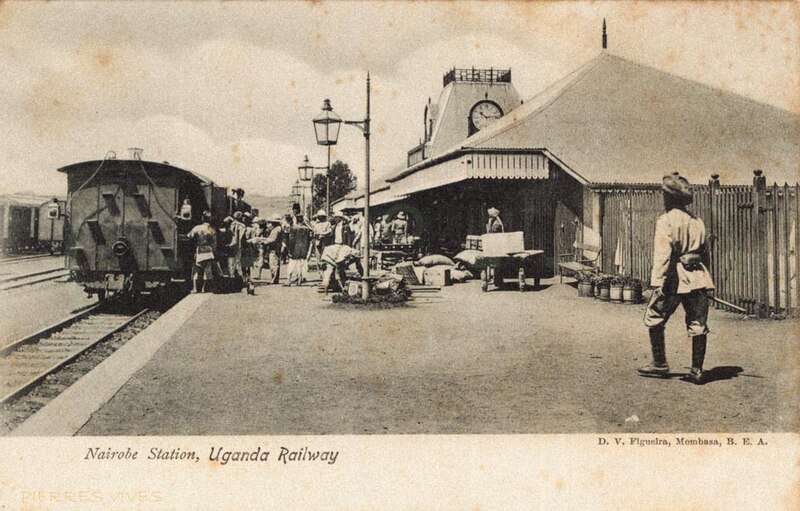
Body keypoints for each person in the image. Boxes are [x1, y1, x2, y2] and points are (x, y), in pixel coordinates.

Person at [638, 172, 715, 385]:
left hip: (674, 278)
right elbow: (705, 254)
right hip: (699, 277)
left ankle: (659, 364)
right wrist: (707, 278)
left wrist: (657, 282)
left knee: (654, 316)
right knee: (698, 322)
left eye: (665, 195)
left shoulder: (666, 221)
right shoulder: (697, 221)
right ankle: (697, 370)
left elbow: (663, 255)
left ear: (670, 198)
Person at [187, 210, 217, 293]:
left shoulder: (197, 228)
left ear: (202, 218)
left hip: (199, 251)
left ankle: (195, 289)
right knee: (207, 271)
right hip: (209, 251)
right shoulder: (212, 229)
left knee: (196, 271)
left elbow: (189, 236)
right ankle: (205, 289)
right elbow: (214, 243)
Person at [286, 213, 312, 286]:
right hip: (303, 249)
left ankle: (288, 280)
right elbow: (308, 240)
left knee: (292, 264)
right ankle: (299, 280)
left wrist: (290, 250)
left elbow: (292, 240)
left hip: (295, 248)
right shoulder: (306, 229)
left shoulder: (294, 228)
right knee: (301, 264)